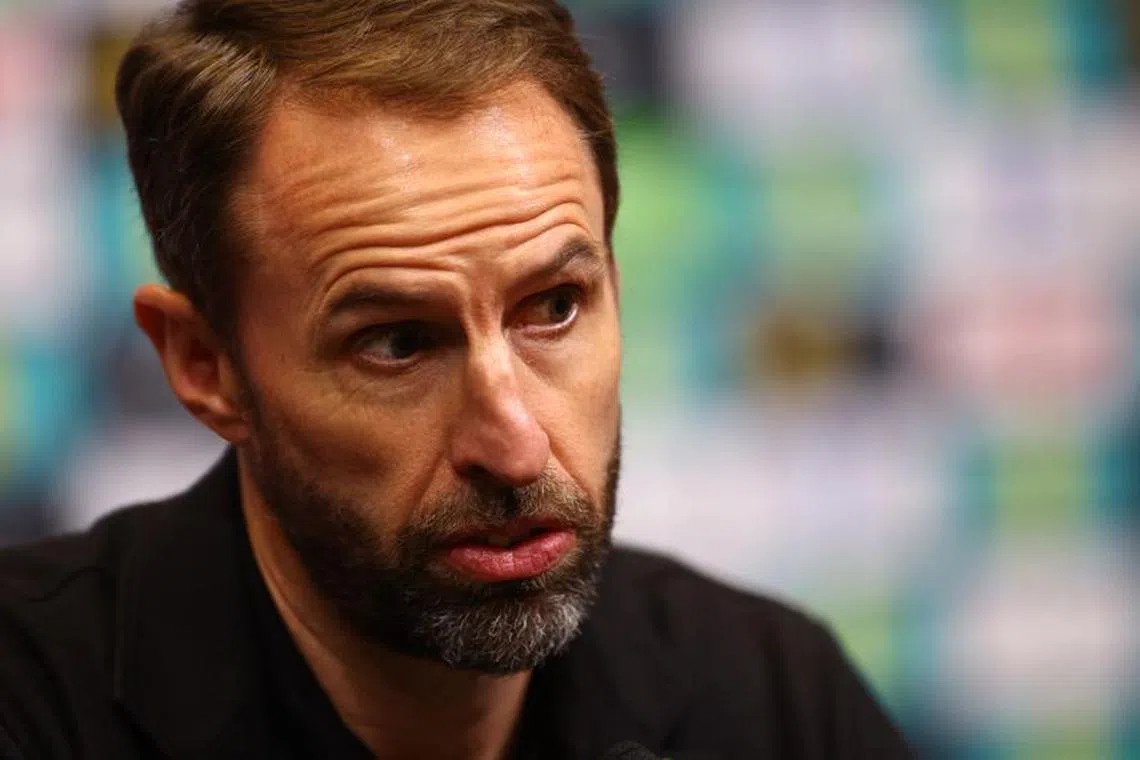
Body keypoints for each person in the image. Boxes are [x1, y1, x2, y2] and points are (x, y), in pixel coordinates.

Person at [0, 1, 915, 758]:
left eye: (554, 305)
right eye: (397, 343)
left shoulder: (773, 699)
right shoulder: (34, 704)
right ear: (206, 366)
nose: (515, 445)